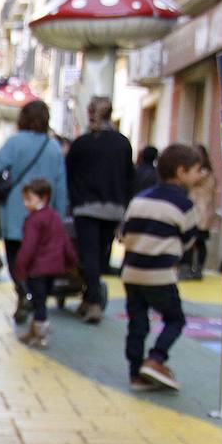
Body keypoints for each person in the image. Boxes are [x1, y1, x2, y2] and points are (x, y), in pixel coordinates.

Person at [120, 143, 200, 391]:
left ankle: (135, 374)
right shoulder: (184, 205)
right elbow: (188, 240)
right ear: (181, 171)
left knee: (137, 323)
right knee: (175, 319)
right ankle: (156, 359)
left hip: (132, 272)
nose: (200, 176)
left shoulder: (139, 199)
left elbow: (124, 234)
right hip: (160, 275)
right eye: (197, 170)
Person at [0, 100, 68, 322]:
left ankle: (23, 292)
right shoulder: (54, 147)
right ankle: (34, 296)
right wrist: (58, 216)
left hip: (16, 210)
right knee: (38, 260)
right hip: (44, 214)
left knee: (16, 257)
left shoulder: (15, 142)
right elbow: (61, 185)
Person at [65, 96, 135, 324]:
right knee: (100, 254)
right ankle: (88, 298)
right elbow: (129, 178)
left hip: (86, 207)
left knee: (88, 254)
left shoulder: (82, 143)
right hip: (114, 209)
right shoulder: (122, 143)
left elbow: (69, 175)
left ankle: (93, 301)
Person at [12, 178, 78, 348]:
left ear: (43, 197)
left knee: (38, 302)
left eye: (29, 199)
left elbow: (29, 246)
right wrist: (72, 261)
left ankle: (40, 335)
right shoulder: (55, 217)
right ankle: (34, 331)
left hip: (37, 269)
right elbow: (65, 241)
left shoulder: (33, 220)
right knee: (41, 299)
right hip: (54, 267)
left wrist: (20, 266)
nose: (26, 204)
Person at [181, 144, 216, 280]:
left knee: (196, 240)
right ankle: (193, 269)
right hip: (201, 210)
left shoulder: (203, 172)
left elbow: (189, 180)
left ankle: (194, 269)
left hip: (200, 211)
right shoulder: (206, 171)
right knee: (197, 241)